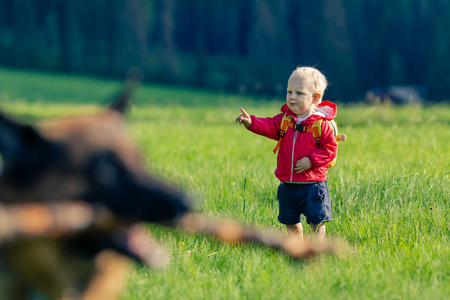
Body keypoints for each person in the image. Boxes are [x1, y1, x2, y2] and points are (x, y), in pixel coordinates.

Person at [235, 66, 337, 241]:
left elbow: (330, 150)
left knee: (317, 221)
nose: (292, 97)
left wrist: (311, 161)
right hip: (288, 184)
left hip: (313, 184)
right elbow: (268, 125)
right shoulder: (284, 120)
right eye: (289, 91)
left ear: (315, 98)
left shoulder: (321, 125)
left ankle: (317, 251)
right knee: (290, 221)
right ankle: (296, 249)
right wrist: (251, 122)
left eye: (299, 93)